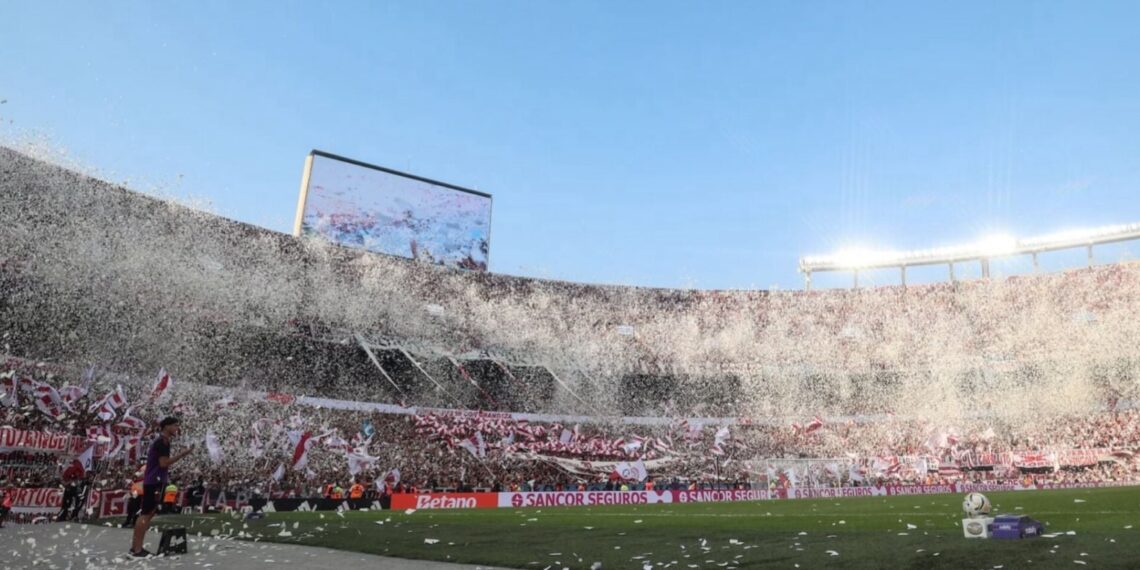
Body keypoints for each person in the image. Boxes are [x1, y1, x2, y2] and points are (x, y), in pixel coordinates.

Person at [130, 417, 195, 558]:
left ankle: (136, 547)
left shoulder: (162, 441)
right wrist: (183, 454)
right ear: (167, 426)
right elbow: (164, 463)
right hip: (154, 481)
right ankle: (137, 549)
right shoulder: (163, 442)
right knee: (146, 514)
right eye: (175, 425)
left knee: (149, 513)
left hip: (154, 481)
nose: (177, 428)